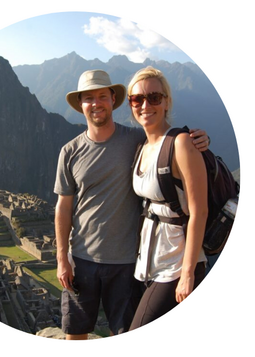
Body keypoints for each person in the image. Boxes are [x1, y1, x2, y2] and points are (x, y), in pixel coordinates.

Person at [54, 69, 209, 340]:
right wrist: (61, 257)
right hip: (81, 259)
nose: (96, 103)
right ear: (80, 104)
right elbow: (63, 207)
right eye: (89, 98)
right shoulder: (70, 151)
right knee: (75, 332)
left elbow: (171, 145)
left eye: (102, 96)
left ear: (113, 99)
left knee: (125, 333)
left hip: (127, 262)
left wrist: (200, 139)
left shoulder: (136, 140)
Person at [128, 66, 208, 330]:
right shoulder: (143, 146)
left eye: (154, 97)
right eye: (137, 99)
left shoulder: (181, 143)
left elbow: (199, 212)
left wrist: (187, 274)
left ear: (166, 102)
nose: (145, 105)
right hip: (151, 261)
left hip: (178, 264)